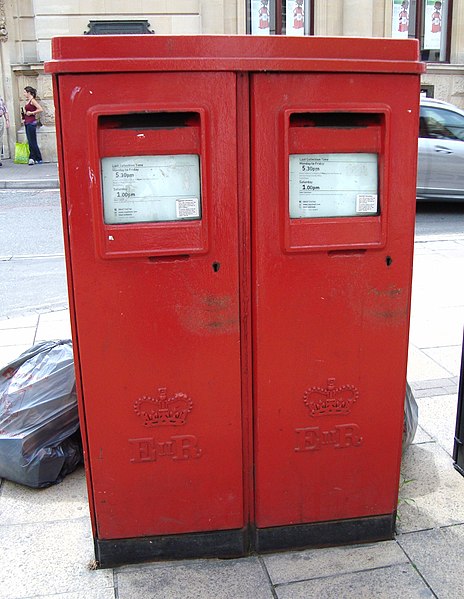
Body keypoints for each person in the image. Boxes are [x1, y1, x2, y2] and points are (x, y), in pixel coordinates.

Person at [22, 86, 43, 165]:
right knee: (30, 141)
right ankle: (33, 157)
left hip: (31, 122)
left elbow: (40, 109)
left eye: (25, 92)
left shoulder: (32, 101)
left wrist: (32, 113)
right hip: (27, 122)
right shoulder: (28, 101)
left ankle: (36, 157)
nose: (24, 94)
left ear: (29, 93)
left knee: (32, 141)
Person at [0, 96, 10, 167]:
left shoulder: (0, 99)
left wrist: (7, 120)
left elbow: (5, 110)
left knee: (0, 140)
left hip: (0, 119)